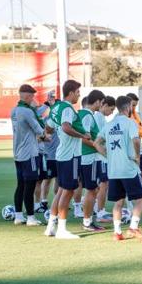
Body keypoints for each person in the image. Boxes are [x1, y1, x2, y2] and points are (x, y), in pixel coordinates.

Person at [94, 96, 142, 242]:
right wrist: (137, 156)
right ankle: (133, 228)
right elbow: (136, 140)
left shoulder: (109, 124)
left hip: (113, 170)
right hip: (129, 169)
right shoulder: (130, 123)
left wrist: (107, 155)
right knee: (140, 198)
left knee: (118, 202)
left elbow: (97, 143)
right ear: (129, 106)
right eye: (132, 106)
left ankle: (117, 232)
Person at [44, 80, 90, 239]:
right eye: (78, 92)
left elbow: (49, 127)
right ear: (70, 92)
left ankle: (51, 226)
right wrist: (83, 135)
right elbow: (65, 127)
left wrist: (51, 135)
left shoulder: (56, 107)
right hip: (70, 155)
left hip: (62, 154)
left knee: (62, 190)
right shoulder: (68, 108)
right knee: (68, 190)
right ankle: (62, 229)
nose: (79, 95)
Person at [11, 84, 47, 226]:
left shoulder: (14, 110)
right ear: (26, 96)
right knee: (30, 185)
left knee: (20, 184)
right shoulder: (27, 111)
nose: (33, 99)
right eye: (32, 96)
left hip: (18, 152)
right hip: (30, 153)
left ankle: (19, 216)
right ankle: (31, 217)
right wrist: (46, 137)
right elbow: (39, 130)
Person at [77, 89, 107, 232]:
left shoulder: (85, 114)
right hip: (88, 158)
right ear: (96, 102)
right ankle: (87, 222)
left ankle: (88, 220)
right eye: (101, 103)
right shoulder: (87, 116)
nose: (101, 106)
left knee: (92, 189)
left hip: (87, 157)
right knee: (91, 190)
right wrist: (97, 145)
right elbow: (83, 137)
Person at [95, 96, 115, 222]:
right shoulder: (98, 117)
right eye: (111, 109)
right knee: (104, 184)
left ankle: (98, 208)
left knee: (100, 185)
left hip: (101, 156)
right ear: (105, 105)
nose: (111, 112)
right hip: (100, 156)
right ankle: (100, 212)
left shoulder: (100, 117)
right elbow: (99, 137)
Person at [38, 91, 60, 214]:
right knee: (47, 179)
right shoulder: (46, 120)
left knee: (58, 179)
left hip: (61, 155)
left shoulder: (63, 121)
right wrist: (47, 103)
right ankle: (43, 202)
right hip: (49, 155)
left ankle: (58, 201)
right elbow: (37, 115)